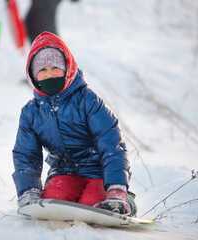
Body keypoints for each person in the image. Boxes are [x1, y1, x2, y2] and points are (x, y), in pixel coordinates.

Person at [12, 32, 137, 216]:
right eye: (43, 70)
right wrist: (29, 191)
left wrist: (116, 189)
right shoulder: (31, 112)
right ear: (33, 75)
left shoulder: (88, 101)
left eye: (55, 67)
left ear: (67, 67)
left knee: (91, 205)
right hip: (63, 171)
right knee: (54, 202)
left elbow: (112, 144)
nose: (50, 74)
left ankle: (126, 200)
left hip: (98, 171)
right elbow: (26, 155)